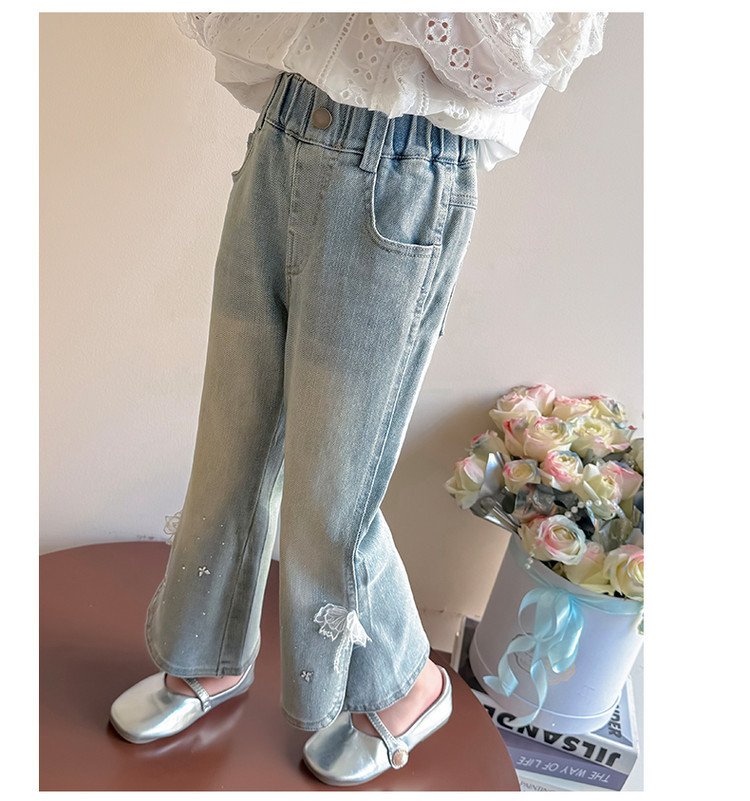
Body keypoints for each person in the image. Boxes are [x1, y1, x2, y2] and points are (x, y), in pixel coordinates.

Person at [109, 12, 608, 786]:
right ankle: (207, 652)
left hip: (401, 168)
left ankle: (408, 682)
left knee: (331, 485)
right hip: (285, 133)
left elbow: (516, 56)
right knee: (231, 437)